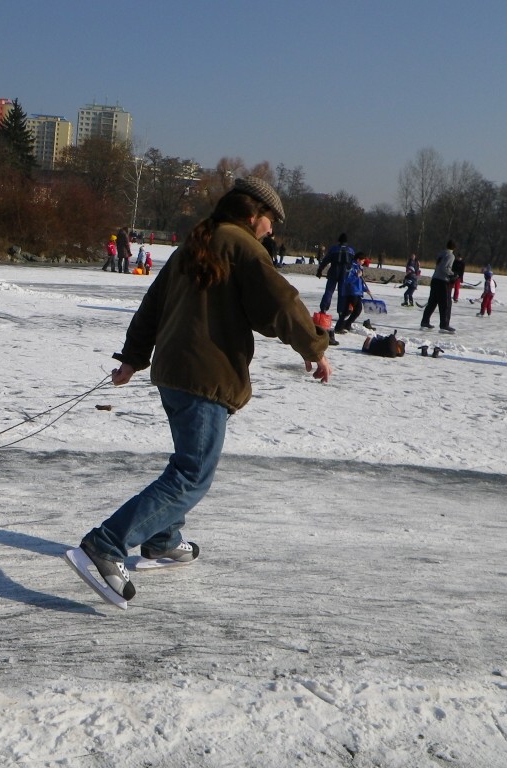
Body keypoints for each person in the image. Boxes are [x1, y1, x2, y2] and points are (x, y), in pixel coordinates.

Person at [74, 176, 331, 602]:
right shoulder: (242, 245)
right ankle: (106, 543)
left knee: (186, 463)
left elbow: (153, 304)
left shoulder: (198, 241)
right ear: (253, 215)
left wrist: (135, 358)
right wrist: (315, 347)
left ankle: (162, 539)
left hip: (174, 374)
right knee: (192, 475)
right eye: (270, 221)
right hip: (204, 377)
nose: (272, 230)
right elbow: (282, 303)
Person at [420, 240, 457, 334]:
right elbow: (444, 268)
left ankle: (425, 321)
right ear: (454, 248)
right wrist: (453, 274)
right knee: (446, 304)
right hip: (442, 281)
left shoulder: (441, 253)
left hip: (435, 279)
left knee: (432, 302)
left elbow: (439, 266)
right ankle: (444, 325)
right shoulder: (451, 255)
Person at [316, 233, 355, 315]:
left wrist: (320, 270)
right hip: (345, 274)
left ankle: (324, 308)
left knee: (329, 291)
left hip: (334, 272)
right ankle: (341, 311)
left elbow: (325, 260)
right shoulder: (351, 250)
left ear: (339, 240)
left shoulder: (334, 249)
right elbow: (354, 263)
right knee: (342, 293)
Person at [335, 252, 367, 333]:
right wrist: (356, 275)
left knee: (358, 310)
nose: (363, 262)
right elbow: (347, 280)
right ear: (358, 259)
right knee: (348, 310)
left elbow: (360, 282)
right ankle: (338, 327)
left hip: (358, 292)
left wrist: (365, 289)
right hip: (351, 292)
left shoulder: (360, 268)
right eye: (362, 261)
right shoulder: (351, 267)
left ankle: (347, 324)